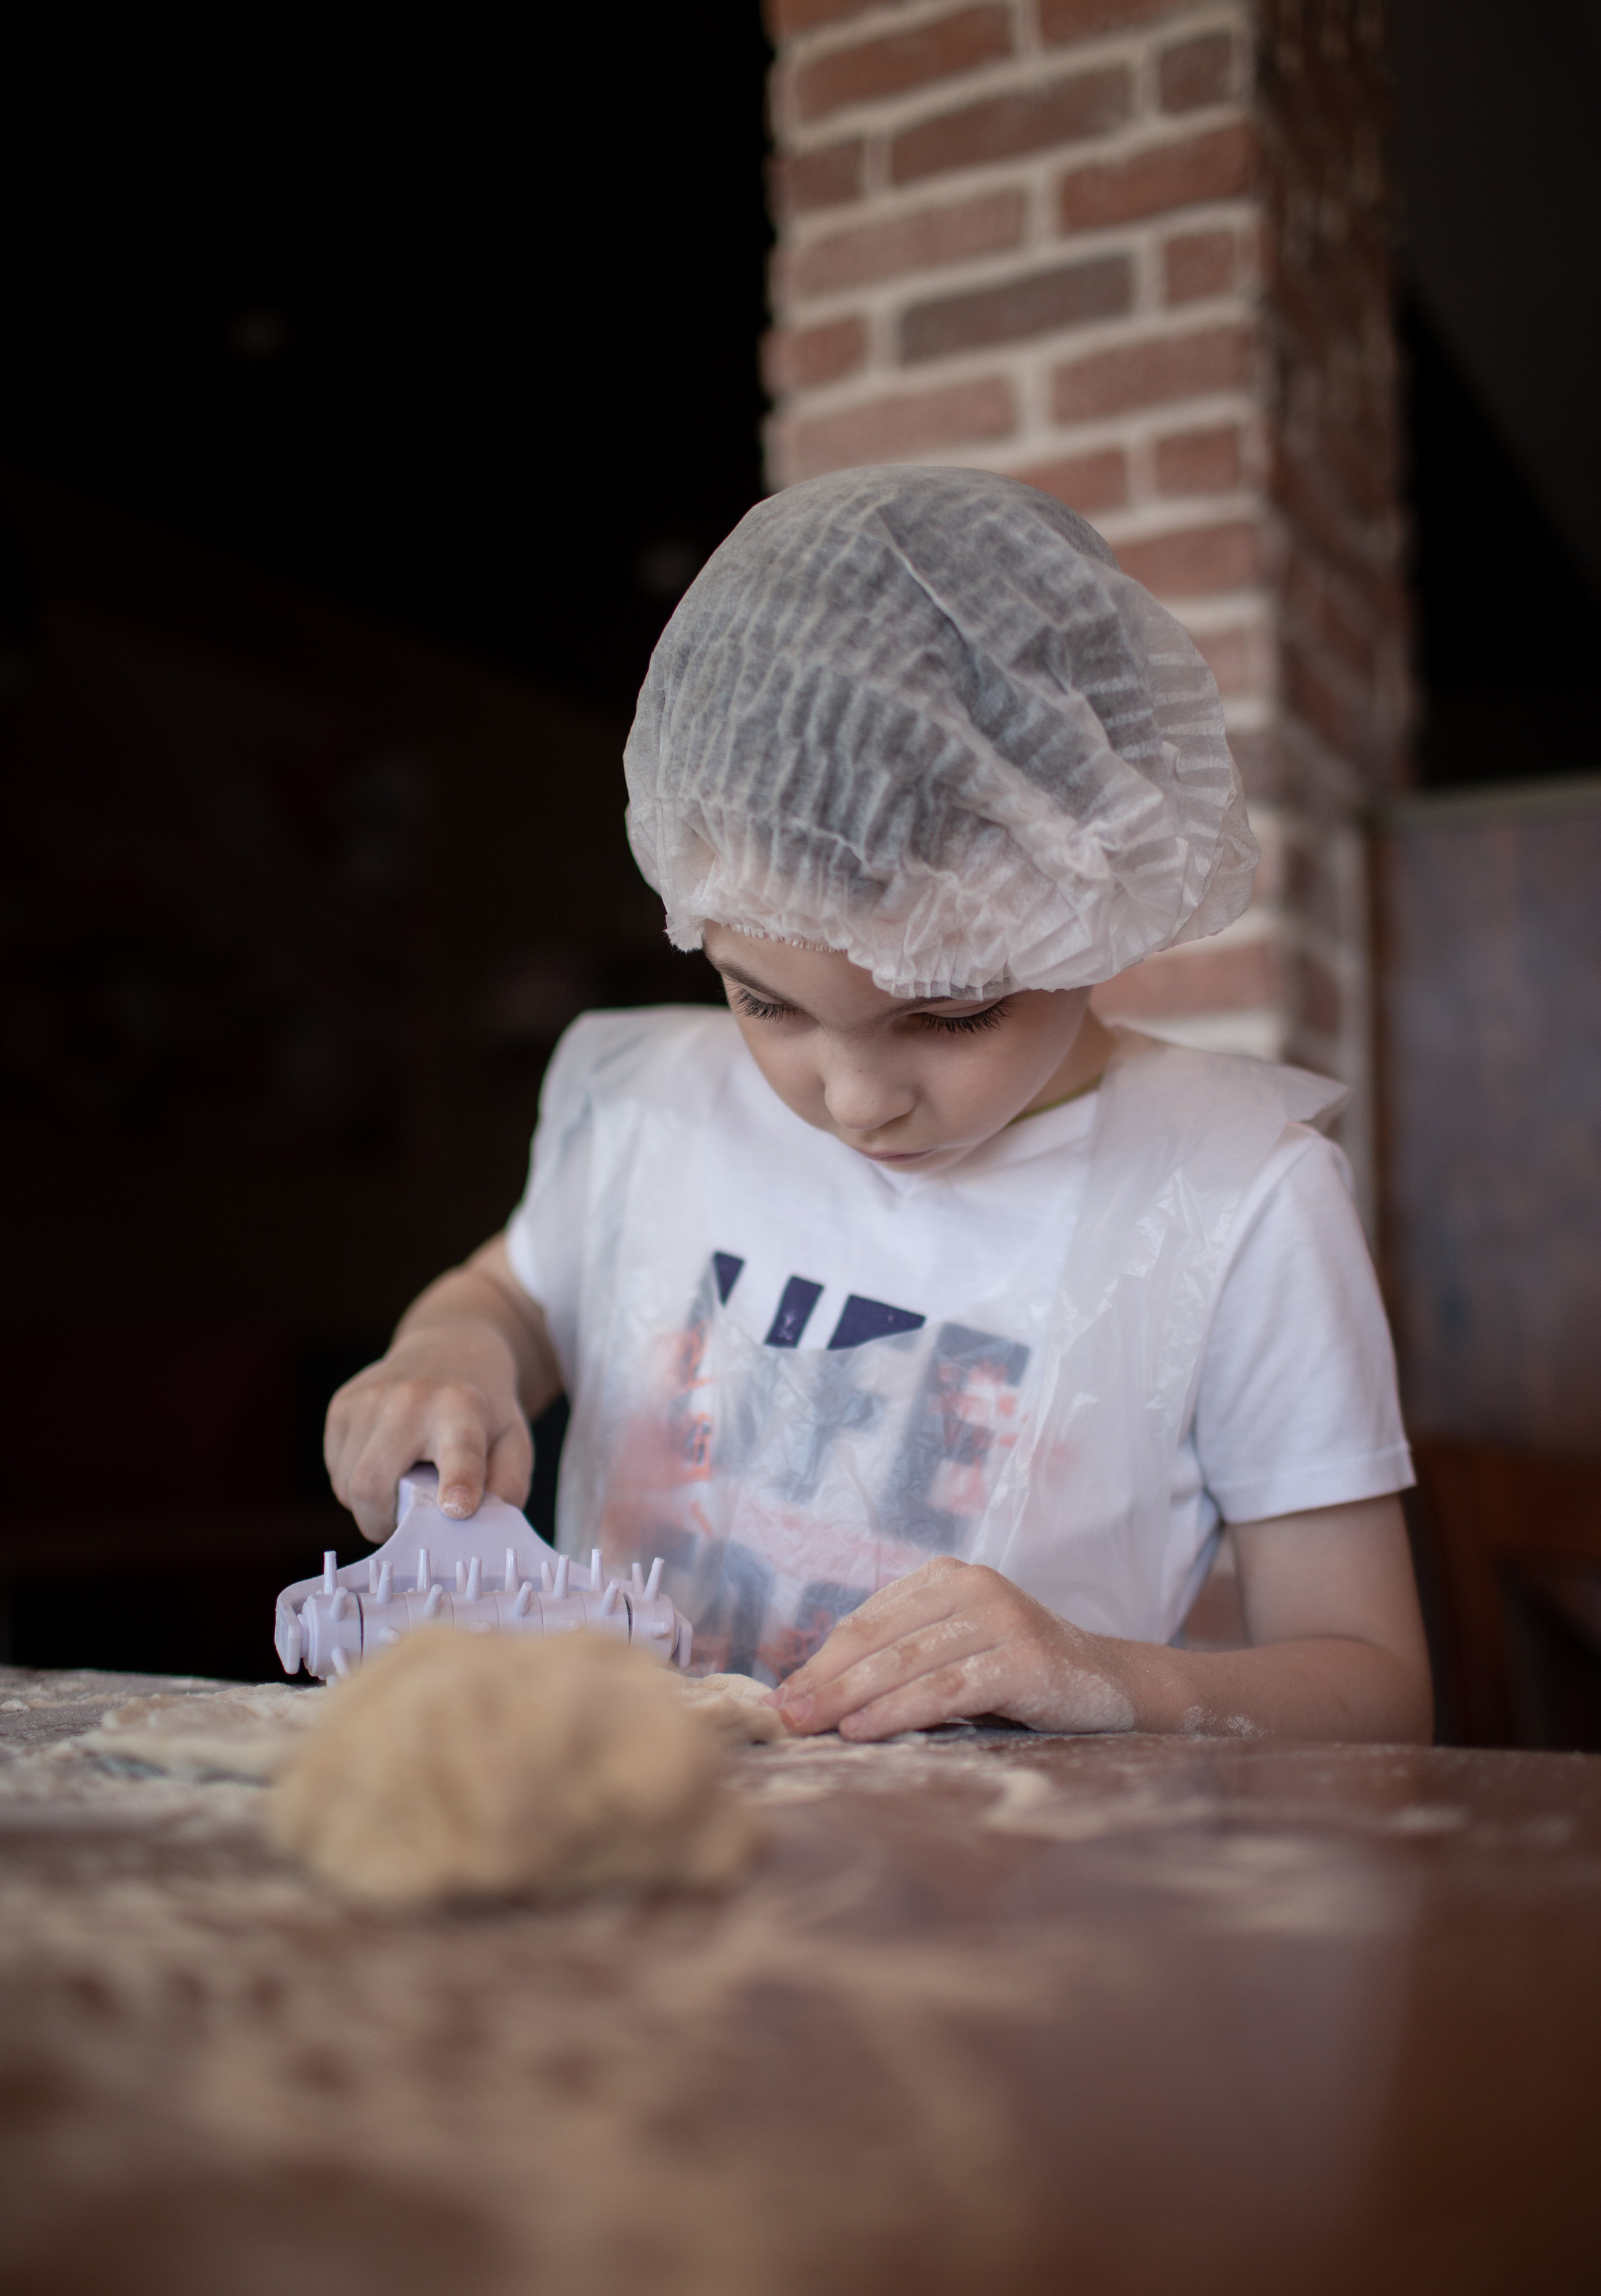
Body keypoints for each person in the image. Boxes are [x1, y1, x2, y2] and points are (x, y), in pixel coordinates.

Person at [325, 465, 1431, 1746]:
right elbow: (511, 1299)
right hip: (620, 1832)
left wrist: (1102, 1675)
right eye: (765, 1003)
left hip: (1005, 1872)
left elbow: (1378, 1689)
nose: (854, 1100)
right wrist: (448, 1357)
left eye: (949, 1016)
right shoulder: (656, 1112)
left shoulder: (1234, 1197)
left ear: (1089, 903)